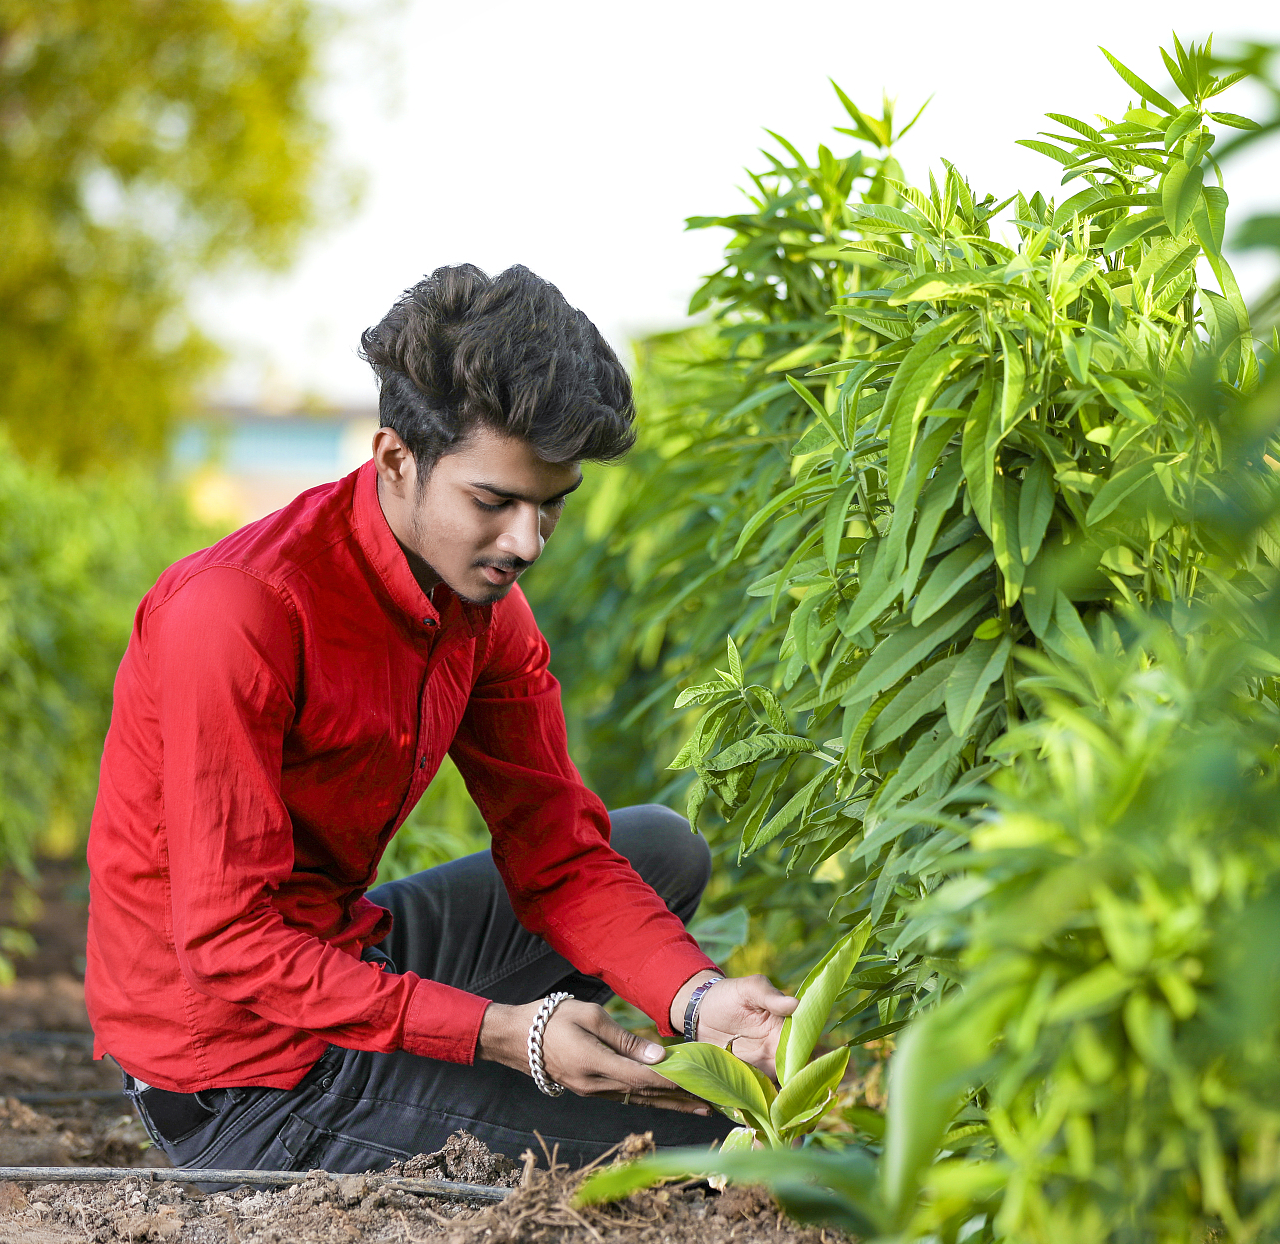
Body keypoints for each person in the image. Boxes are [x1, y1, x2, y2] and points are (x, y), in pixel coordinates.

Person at [84, 263, 795, 1173]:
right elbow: (232, 941)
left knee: (659, 849)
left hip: (342, 955)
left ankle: (499, 1072)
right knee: (713, 1147)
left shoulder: (483, 608)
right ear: (396, 460)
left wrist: (698, 1000)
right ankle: (450, 1091)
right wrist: (505, 1034)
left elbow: (557, 849)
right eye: (494, 503)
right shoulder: (239, 613)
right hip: (240, 1070)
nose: (527, 543)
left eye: (551, 506)